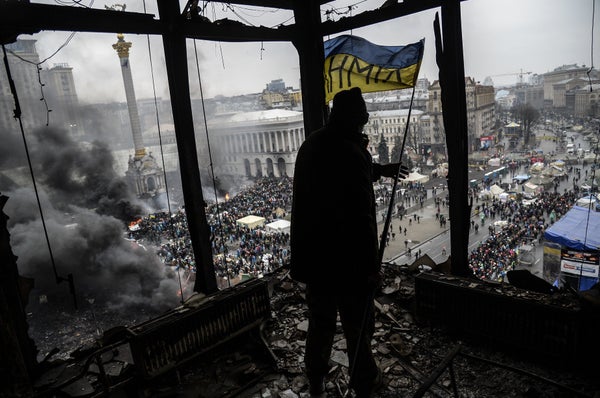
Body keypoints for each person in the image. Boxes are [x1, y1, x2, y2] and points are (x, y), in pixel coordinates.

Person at [290, 87, 407, 397]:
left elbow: (335, 176)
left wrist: (380, 170)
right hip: (347, 262)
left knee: (321, 324)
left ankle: (316, 381)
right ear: (357, 120)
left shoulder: (312, 144)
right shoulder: (352, 152)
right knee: (358, 325)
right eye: (361, 121)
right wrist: (371, 267)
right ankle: (365, 381)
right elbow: (361, 219)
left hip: (316, 260)